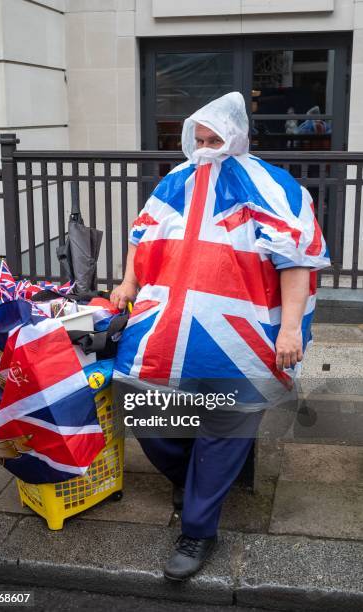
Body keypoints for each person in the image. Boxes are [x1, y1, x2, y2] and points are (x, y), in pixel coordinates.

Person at [110, 92, 330, 581]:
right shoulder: (175, 181)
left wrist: (291, 328)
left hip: (240, 336)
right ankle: (192, 481)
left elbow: (297, 259)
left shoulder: (273, 186)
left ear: (237, 136)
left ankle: (199, 528)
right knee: (147, 413)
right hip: (165, 325)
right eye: (200, 139)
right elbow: (142, 232)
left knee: (226, 427)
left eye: (216, 139)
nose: (207, 148)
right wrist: (128, 281)